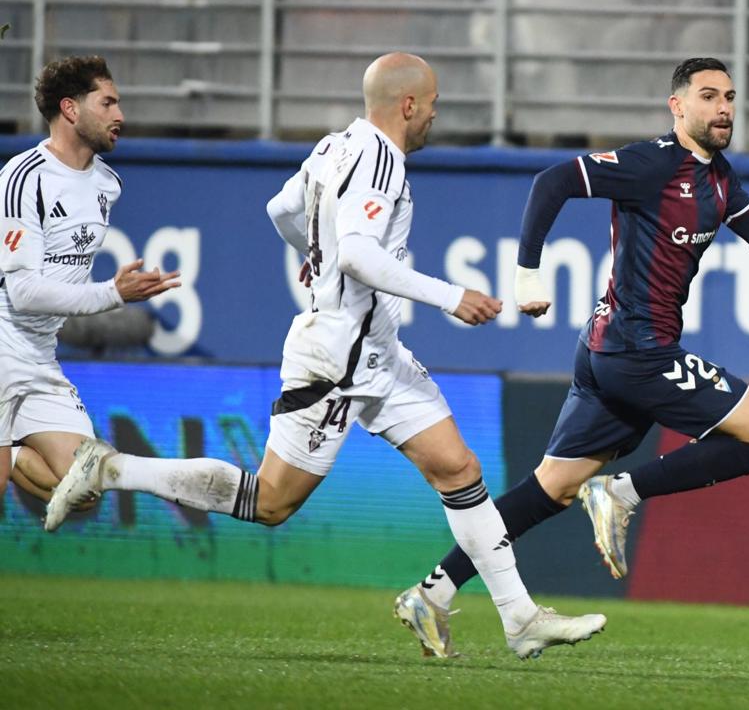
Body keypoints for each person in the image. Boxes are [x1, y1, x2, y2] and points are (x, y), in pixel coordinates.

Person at [44, 53, 606, 661]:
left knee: (459, 469)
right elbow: (362, 256)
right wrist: (451, 296)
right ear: (408, 105)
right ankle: (112, 469)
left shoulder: (335, 146)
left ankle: (517, 618)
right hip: (337, 360)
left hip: (377, 353)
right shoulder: (381, 159)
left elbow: (280, 211)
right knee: (271, 502)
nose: (436, 115)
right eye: (434, 103)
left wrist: (317, 258)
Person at [399, 57, 749, 648]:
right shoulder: (652, 162)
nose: (724, 109)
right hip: (638, 351)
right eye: (709, 96)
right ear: (677, 106)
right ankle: (620, 493)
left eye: (730, 97)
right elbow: (551, 181)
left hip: (612, 351)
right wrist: (527, 273)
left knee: (549, 488)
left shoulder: (718, 176)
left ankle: (433, 593)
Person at [0, 55, 180, 505]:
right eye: (108, 103)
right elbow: (22, 293)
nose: (119, 116)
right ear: (70, 109)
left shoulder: (107, 185)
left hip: (40, 354)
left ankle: (15, 454)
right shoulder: (23, 179)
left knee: (86, 485)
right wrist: (112, 293)